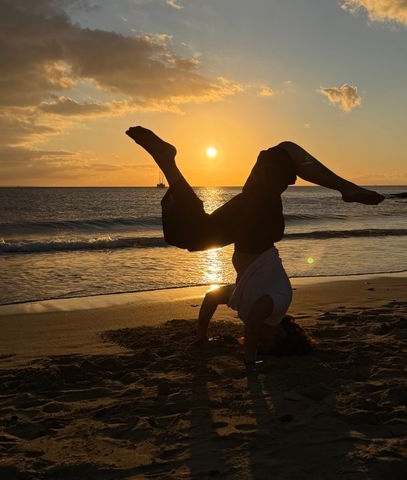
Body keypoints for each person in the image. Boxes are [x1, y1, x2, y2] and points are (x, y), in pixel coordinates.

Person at [125, 127, 384, 369]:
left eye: (259, 346)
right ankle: (339, 184)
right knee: (281, 158)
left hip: (246, 231)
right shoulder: (277, 306)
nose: (258, 340)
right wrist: (249, 361)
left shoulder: (243, 299)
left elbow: (212, 298)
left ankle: (167, 161)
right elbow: (256, 317)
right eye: (266, 343)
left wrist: (201, 335)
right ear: (282, 333)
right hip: (260, 232)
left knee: (191, 236)